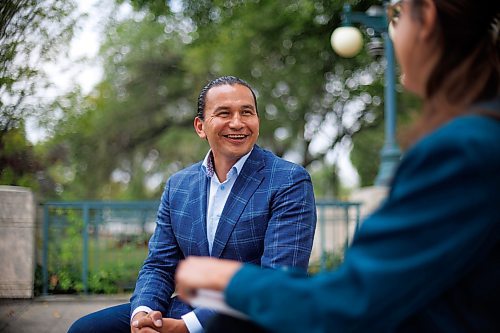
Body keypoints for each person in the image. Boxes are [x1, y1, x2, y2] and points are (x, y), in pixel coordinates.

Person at [173, 0, 500, 332]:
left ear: (426, 16)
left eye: (395, 17)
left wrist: (229, 280)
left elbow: (354, 301)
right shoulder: (475, 136)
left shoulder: (462, 148)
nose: (392, 35)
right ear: (201, 126)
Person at [67, 76, 317, 333]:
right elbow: (159, 264)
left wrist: (186, 327)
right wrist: (144, 314)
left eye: (247, 112)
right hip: (188, 307)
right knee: (86, 329)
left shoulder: (289, 180)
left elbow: (276, 282)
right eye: (224, 113)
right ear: (200, 126)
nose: (237, 122)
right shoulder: (178, 185)